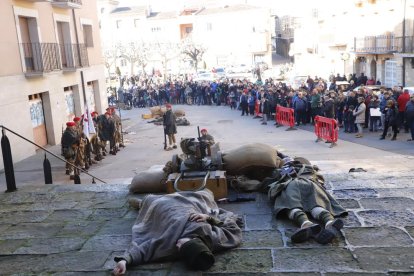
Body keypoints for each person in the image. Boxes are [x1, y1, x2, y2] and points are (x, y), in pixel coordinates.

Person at [112, 190, 242, 275]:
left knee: (151, 200)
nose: (178, 246)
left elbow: (145, 249)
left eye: (180, 250)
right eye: (183, 245)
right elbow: (233, 229)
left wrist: (124, 261)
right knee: (207, 194)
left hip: (165, 208)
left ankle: (141, 203)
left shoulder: (170, 245)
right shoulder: (214, 239)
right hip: (193, 205)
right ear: (194, 242)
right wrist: (208, 217)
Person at [265, 157, 347, 244]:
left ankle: (305, 223)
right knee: (316, 203)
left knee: (290, 204)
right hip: (309, 183)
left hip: (290, 185)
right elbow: (320, 179)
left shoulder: (278, 171)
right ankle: (329, 222)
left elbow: (268, 184)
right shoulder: (307, 167)